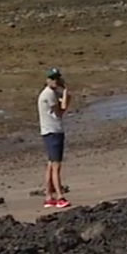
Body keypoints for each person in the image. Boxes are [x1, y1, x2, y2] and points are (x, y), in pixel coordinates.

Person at [38, 67, 71, 209]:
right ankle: (59, 196)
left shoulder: (50, 93)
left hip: (48, 131)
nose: (55, 81)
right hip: (53, 132)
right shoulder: (49, 94)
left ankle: (48, 197)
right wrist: (66, 93)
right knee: (56, 166)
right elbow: (61, 111)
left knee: (51, 165)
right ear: (47, 80)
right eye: (52, 78)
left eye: (57, 78)